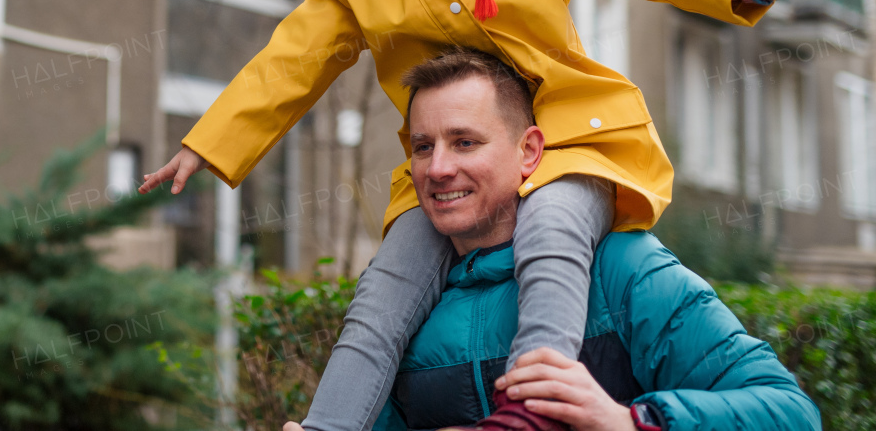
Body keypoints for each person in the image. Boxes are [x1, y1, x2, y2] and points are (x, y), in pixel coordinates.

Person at [140, 0, 848, 431]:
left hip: (570, 140)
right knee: (386, 289)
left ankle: (534, 401)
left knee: (552, 230)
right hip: (460, 144)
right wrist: (209, 143)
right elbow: (288, 61)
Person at [342, 48, 817, 430]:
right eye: (424, 147)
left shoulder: (623, 269)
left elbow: (791, 413)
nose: (439, 168)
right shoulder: (405, 307)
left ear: (529, 151)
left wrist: (628, 420)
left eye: (465, 142)